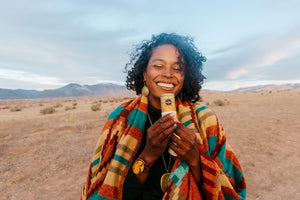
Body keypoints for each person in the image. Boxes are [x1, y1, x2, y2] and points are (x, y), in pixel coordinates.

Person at [81, 33, 246, 200]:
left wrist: (195, 159)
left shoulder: (205, 119)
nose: (168, 74)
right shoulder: (121, 119)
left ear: (184, 76)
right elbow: (109, 191)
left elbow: (230, 189)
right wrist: (148, 156)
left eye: (177, 68)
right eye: (158, 66)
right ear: (144, 73)